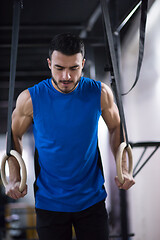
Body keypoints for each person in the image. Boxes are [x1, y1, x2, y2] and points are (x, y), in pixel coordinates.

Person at [5, 33, 135, 240]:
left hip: (91, 199)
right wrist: (14, 178)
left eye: (74, 68)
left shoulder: (100, 93)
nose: (66, 76)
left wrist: (124, 168)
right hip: (49, 202)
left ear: (82, 63)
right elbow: (14, 136)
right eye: (59, 68)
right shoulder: (30, 98)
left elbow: (116, 127)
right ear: (49, 64)